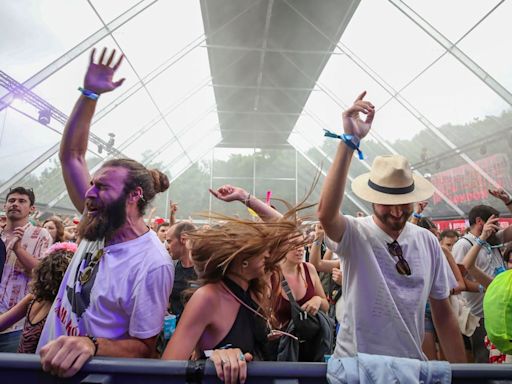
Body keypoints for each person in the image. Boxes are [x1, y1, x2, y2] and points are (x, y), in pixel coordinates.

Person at [36, 47, 174, 378]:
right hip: (46, 368)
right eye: (93, 184)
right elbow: (72, 154)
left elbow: (145, 347)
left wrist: (92, 345)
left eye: (102, 187)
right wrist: (89, 94)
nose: (89, 193)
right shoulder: (96, 221)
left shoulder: (152, 263)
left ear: (134, 196)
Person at [317, 91, 465, 362]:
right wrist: (350, 141)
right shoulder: (355, 233)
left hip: (410, 367)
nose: (397, 212)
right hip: (357, 367)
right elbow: (326, 215)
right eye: (387, 202)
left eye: (404, 202)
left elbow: (443, 315)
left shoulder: (428, 241)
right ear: (372, 199)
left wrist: (464, 376)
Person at [162, 214, 303, 383]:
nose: (268, 254)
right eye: (260, 250)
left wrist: (245, 197)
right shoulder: (207, 297)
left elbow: (287, 230)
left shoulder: (254, 290)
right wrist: (213, 357)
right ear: (243, 260)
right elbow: (168, 368)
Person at [452, 203, 512, 363]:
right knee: (485, 360)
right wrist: (486, 287)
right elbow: (458, 279)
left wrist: (508, 203)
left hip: (501, 311)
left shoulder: (494, 239)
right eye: (495, 223)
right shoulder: (464, 244)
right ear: (480, 221)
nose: (498, 227)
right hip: (480, 315)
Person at [0, 187, 52, 352]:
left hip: (16, 324)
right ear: (4, 205)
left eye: (22, 201)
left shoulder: (41, 234)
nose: (15, 204)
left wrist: (18, 249)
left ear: (31, 209)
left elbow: (43, 273)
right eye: (11, 200)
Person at [0, 242, 75, 353]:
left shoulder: (34, 298)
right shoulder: (63, 308)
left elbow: (2, 322)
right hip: (39, 367)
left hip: (21, 363)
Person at [165, 221, 197, 319]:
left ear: (183, 239)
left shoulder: (205, 269)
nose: (167, 247)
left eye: (169, 241)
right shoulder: (171, 266)